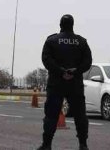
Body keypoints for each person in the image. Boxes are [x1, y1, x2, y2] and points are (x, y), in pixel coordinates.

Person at [39, 14, 93, 150]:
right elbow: (88, 62)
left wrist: (60, 71)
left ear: (60, 25)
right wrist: (75, 71)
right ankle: (83, 145)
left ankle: (46, 145)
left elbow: (46, 59)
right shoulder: (81, 41)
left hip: (56, 83)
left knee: (51, 115)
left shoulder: (51, 40)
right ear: (73, 25)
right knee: (80, 115)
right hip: (75, 83)